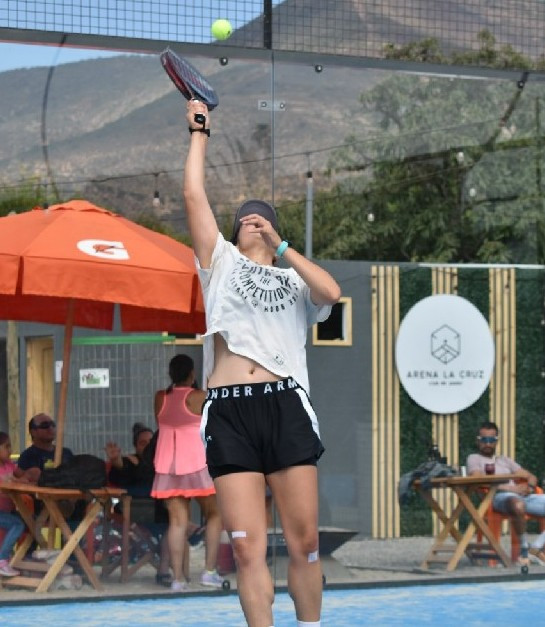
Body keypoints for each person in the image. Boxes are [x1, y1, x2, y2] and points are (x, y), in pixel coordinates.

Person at [183, 98, 341, 627]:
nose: (254, 221)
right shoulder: (220, 264)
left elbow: (331, 292)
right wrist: (199, 133)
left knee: (305, 542)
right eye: (245, 220)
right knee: (247, 548)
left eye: (263, 218)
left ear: (275, 232)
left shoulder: (295, 278)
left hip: (284, 404)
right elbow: (193, 195)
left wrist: (284, 245)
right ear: (232, 233)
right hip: (230, 409)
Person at [151, 353, 223, 593]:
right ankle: (209, 572)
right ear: (192, 374)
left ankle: (178, 579)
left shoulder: (160, 398)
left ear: (170, 374)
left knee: (177, 522)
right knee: (214, 514)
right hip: (197, 464)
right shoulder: (200, 396)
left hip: (167, 467)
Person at [467, 421, 545, 566]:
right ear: (478, 441)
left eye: (491, 440)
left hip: (523, 495)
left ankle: (535, 548)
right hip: (498, 497)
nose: (488, 443)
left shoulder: (504, 460)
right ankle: (523, 549)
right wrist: (511, 489)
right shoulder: (474, 458)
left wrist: (529, 487)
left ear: (496, 441)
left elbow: (531, 476)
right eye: (484, 439)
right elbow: (477, 479)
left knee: (520, 502)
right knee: (517, 504)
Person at [105, 422, 172, 586]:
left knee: (174, 520)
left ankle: (164, 570)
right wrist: (116, 460)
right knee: (175, 522)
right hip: (133, 510)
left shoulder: (162, 464)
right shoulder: (131, 461)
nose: (148, 446)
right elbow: (121, 468)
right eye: (143, 443)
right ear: (135, 446)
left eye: (151, 442)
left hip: (159, 512)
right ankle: (191, 530)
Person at [0, 432, 30, 576]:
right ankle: (2, 559)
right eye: (6, 447)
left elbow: (24, 478)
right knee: (17, 524)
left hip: (7, 510)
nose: (10, 450)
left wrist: (17, 480)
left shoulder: (9, 465)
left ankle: (23, 557)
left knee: (30, 521)